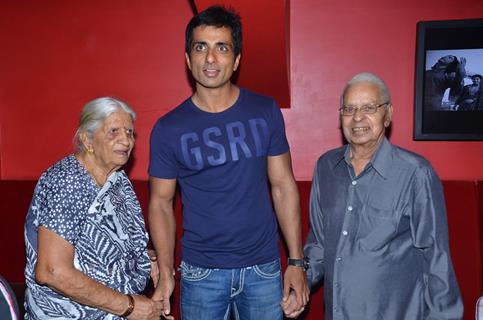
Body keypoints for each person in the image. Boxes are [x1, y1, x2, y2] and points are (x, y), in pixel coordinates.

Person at [148, 5, 308, 320]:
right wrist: (166, 273)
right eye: (200, 47)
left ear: (235, 60)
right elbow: (160, 204)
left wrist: (296, 262)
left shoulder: (264, 110)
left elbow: (283, 186)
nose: (210, 58)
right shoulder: (168, 128)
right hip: (200, 274)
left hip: (263, 269)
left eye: (221, 48)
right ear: (187, 58)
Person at [295, 72, 463, 319]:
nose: (357, 117)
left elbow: (436, 258)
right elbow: (319, 243)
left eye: (369, 107)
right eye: (349, 109)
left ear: (388, 115)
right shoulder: (326, 167)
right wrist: (300, 280)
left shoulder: (416, 174)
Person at [24, 97, 164, 319]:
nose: (126, 141)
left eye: (129, 132)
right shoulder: (68, 181)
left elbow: (97, 247)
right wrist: (130, 307)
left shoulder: (116, 179)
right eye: (114, 131)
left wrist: (141, 259)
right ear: (87, 140)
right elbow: (52, 271)